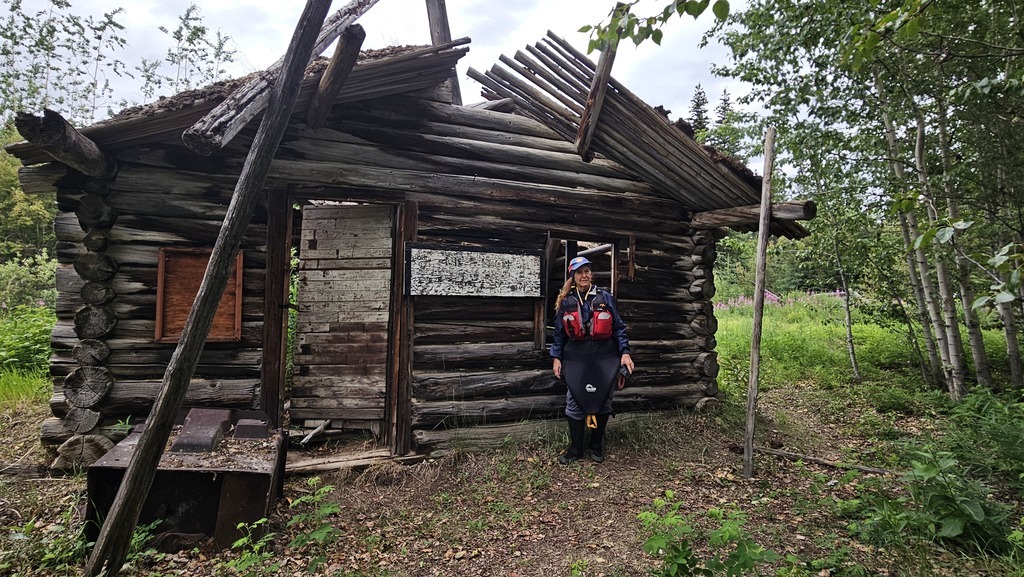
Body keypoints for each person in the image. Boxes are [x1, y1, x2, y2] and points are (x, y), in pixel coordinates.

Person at [550, 256, 634, 464]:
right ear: (573, 276)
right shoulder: (566, 301)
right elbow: (559, 334)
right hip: (576, 357)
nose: (584, 275)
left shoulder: (605, 297)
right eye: (579, 272)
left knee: (604, 400)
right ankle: (575, 449)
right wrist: (556, 357)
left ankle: (596, 445)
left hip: (604, 356)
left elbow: (619, 328)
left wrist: (625, 353)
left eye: (587, 271)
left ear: (591, 274)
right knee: (573, 401)